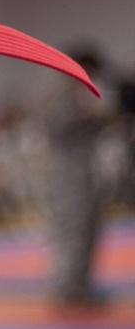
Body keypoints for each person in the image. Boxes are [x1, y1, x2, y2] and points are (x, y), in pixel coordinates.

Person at [41, 48, 113, 311]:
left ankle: (82, 286)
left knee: (90, 231)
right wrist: (82, 113)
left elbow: (106, 122)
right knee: (71, 230)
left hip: (89, 174)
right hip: (67, 177)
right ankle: (64, 289)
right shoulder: (59, 97)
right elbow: (53, 128)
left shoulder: (90, 96)